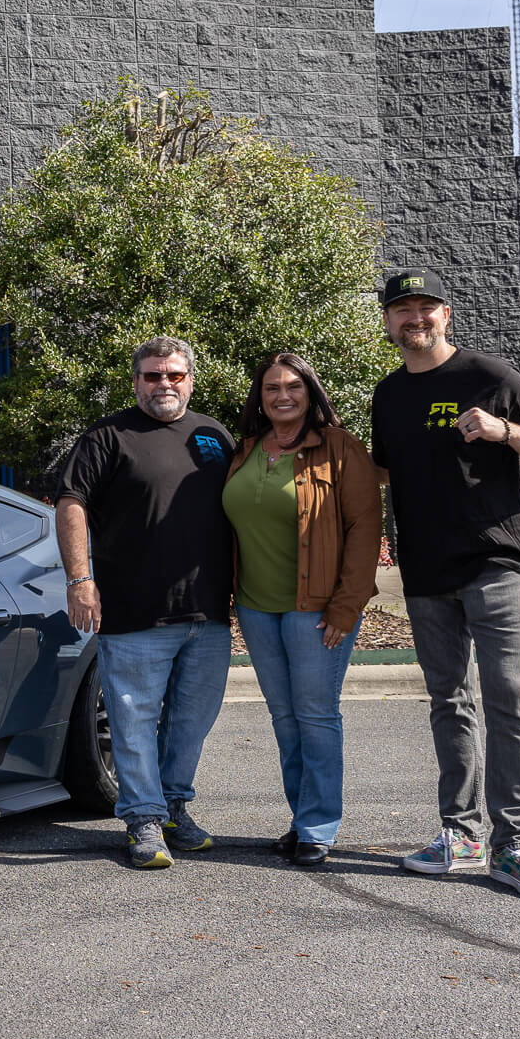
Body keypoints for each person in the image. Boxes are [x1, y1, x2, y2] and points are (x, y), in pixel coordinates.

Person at [372, 268, 520, 900]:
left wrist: (503, 430)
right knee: (448, 704)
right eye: (403, 309)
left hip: (494, 565)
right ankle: (458, 833)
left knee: (507, 701)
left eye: (426, 307)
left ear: (446, 314)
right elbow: (384, 476)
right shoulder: (388, 394)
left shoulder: (489, 377)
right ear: (388, 322)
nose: (416, 318)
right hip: (427, 572)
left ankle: (513, 844)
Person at [56, 336, 236, 869]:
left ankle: (175, 807)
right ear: (136, 381)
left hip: (207, 612)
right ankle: (142, 819)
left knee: (191, 721)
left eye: (174, 375)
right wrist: (79, 579)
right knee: (133, 719)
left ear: (191, 380)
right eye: (153, 376)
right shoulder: (107, 436)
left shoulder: (214, 436)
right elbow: (71, 504)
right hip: (134, 610)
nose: (164, 384)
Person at [223, 353, 379, 867]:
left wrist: (346, 606)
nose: (282, 396)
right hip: (255, 606)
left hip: (314, 608)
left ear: (310, 392)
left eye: (293, 386)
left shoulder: (340, 448)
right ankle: (301, 816)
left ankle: (319, 824)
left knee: (315, 715)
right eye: (271, 388)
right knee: (284, 717)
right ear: (259, 396)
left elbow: (364, 530)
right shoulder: (245, 449)